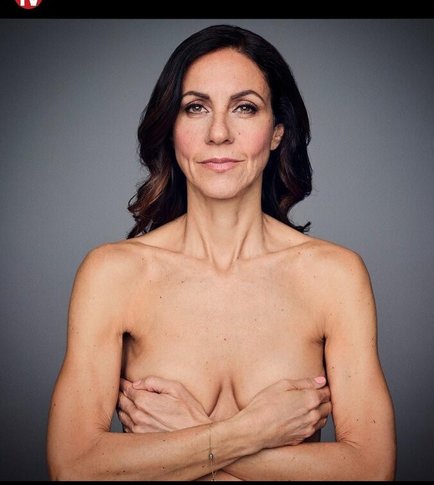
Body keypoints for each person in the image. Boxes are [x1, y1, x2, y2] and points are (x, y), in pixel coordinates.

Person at [46, 24, 396, 481]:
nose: (218, 133)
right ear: (172, 129)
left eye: (244, 108)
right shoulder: (113, 274)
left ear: (276, 131)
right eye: (196, 108)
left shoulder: (334, 276)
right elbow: (73, 467)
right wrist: (254, 431)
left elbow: (371, 470)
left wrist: (194, 439)